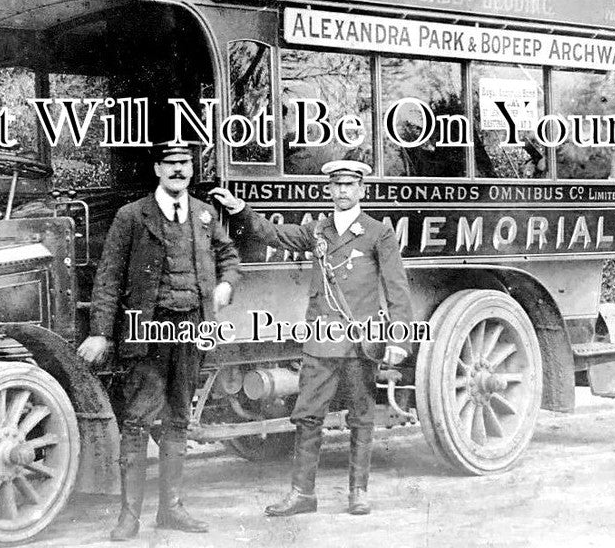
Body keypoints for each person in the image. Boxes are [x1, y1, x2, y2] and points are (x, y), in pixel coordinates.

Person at [210, 161, 415, 517]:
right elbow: (272, 234)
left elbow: (396, 288)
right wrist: (239, 209)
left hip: (358, 341)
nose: (343, 191)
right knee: (307, 415)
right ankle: (303, 494)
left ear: (362, 190)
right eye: (337, 185)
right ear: (329, 190)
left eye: (350, 185)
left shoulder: (378, 232)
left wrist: (399, 339)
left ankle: (358, 493)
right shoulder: (316, 230)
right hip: (320, 340)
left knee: (361, 415)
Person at [77, 143, 241, 541]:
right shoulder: (131, 216)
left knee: (179, 420)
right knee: (136, 422)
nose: (178, 170)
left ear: (191, 169)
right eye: (170, 164)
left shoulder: (204, 215)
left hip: (192, 332)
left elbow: (229, 254)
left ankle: (171, 510)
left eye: (184, 164)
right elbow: (109, 278)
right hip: (147, 335)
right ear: (157, 169)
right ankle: (129, 516)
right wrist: (100, 332)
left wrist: (225, 285)